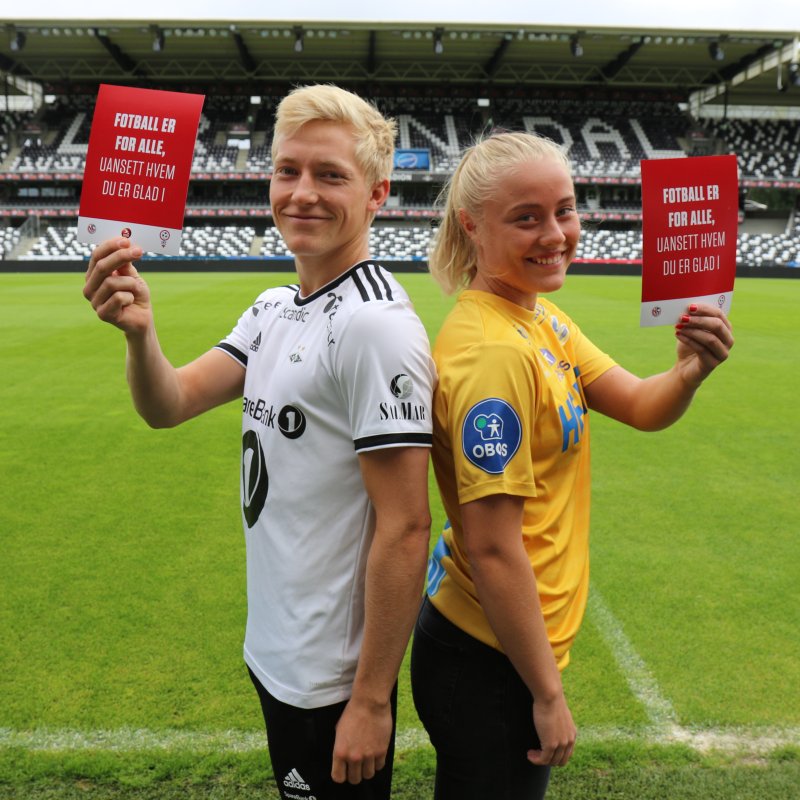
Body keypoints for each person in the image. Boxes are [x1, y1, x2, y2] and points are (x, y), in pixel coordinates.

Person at [83, 84, 435, 800]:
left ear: (376, 194)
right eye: (288, 170)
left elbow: (406, 527)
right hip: (275, 648)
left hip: (329, 677)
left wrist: (370, 702)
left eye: (330, 175)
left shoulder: (375, 328)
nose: (301, 193)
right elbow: (169, 404)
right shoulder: (276, 307)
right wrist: (139, 334)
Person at [410, 131, 734, 800]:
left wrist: (690, 371)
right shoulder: (493, 354)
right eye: (526, 217)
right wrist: (547, 694)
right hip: (488, 658)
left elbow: (643, 405)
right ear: (472, 225)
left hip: (505, 649)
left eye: (565, 208)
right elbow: (494, 548)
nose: (556, 233)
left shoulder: (540, 319)